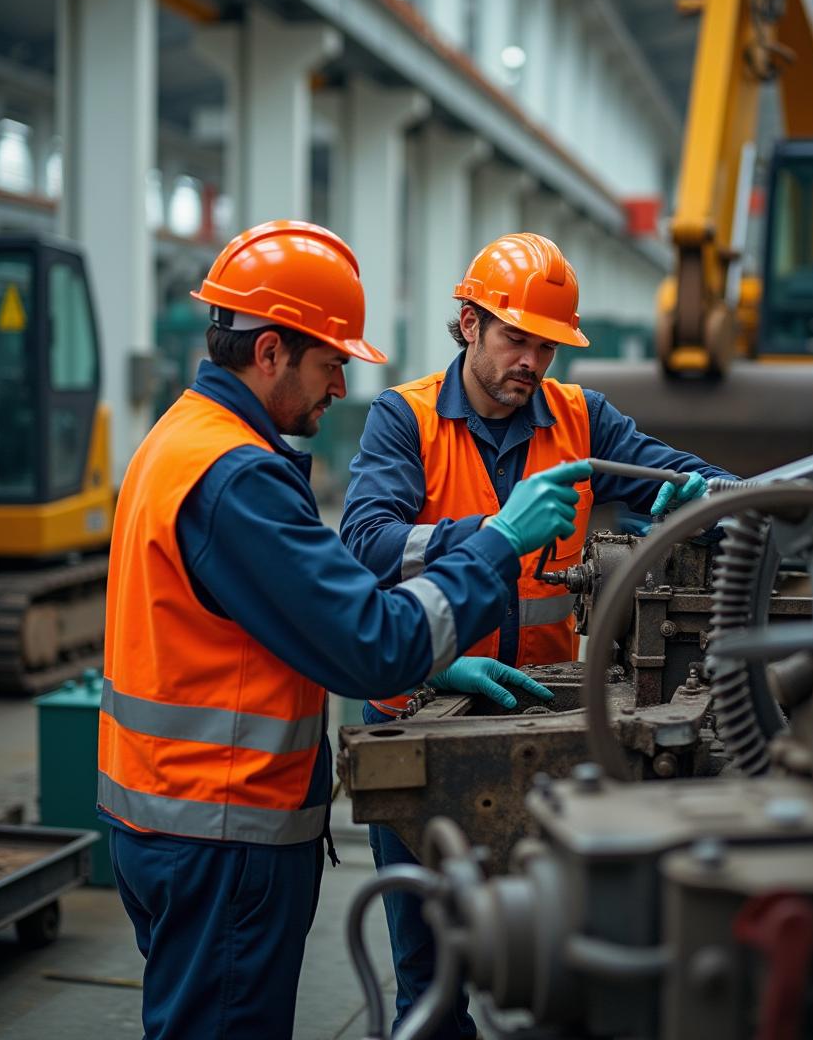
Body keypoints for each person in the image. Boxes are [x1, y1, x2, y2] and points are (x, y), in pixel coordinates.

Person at [96, 220, 594, 1040]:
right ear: (269, 353)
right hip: (224, 835)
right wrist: (501, 541)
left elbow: (271, 635)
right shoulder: (239, 479)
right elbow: (371, 640)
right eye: (330, 364)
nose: (339, 389)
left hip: (168, 823)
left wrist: (441, 673)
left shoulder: (177, 442)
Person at [340, 231, 735, 1040]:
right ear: (468, 324)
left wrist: (704, 493)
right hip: (426, 713)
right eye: (515, 337)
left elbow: (679, 472)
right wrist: (493, 532)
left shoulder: (580, 418)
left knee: (557, 956)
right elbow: (366, 544)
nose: (531, 362)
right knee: (430, 968)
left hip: (542, 724)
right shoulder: (403, 419)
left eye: (546, 345)